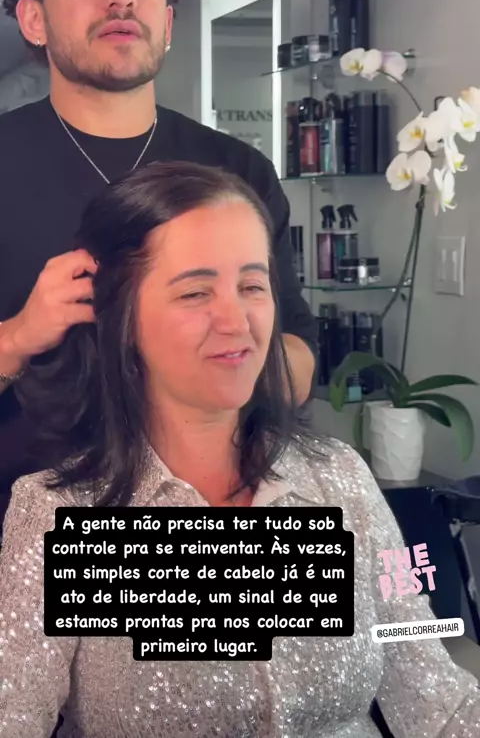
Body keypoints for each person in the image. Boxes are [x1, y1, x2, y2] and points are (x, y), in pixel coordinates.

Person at [1, 160, 479, 738]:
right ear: (122, 320)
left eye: (252, 286)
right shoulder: (59, 516)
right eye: (195, 292)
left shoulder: (339, 478)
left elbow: (431, 685)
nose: (236, 321)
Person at [0, 0, 316, 499]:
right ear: (34, 19)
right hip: (24, 526)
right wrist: (18, 336)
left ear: (166, 23)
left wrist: (223, 350)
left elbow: (300, 357)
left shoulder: (239, 171)